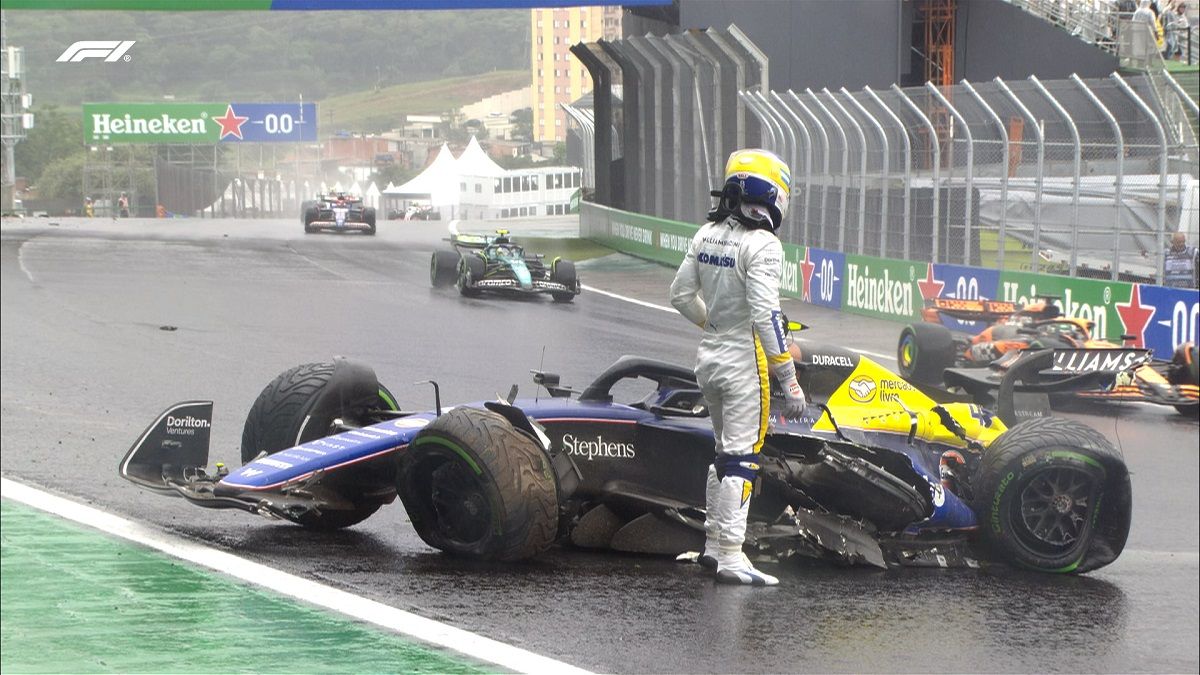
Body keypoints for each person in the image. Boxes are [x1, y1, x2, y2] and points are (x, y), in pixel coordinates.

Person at [669, 148, 806, 587]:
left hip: (707, 358)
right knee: (742, 459)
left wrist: (713, 326)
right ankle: (731, 553)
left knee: (723, 454)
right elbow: (768, 316)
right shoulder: (763, 243)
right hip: (744, 362)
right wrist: (789, 379)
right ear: (771, 193)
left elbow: (679, 295)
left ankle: (713, 547)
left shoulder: (705, 234)